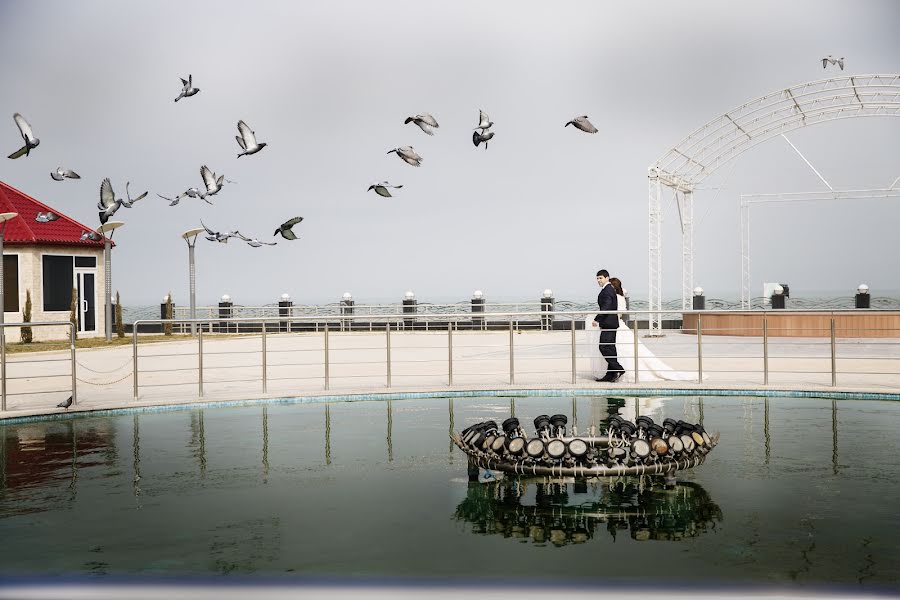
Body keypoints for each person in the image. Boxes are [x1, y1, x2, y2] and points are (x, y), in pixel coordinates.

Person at [608, 276, 696, 383]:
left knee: (621, 350)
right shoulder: (620, 297)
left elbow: (619, 313)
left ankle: (620, 372)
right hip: (619, 325)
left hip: (616, 325)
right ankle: (615, 371)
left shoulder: (617, 298)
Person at [591, 269, 624, 382]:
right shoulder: (608, 289)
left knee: (604, 347)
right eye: (597, 278)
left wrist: (597, 319)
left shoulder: (608, 289)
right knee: (610, 348)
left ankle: (618, 368)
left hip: (609, 323)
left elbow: (607, 306)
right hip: (610, 323)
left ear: (607, 278)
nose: (598, 280)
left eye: (600, 278)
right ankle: (611, 374)